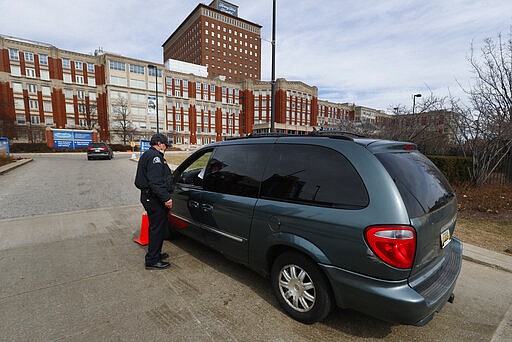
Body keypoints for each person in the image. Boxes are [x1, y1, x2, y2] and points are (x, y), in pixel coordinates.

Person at [134, 133, 174, 270]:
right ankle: (152, 260)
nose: (166, 147)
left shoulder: (149, 154)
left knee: (156, 228)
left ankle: (155, 254)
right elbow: (156, 182)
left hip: (150, 197)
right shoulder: (155, 157)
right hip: (154, 198)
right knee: (157, 229)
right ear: (158, 143)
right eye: (165, 145)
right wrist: (166, 198)